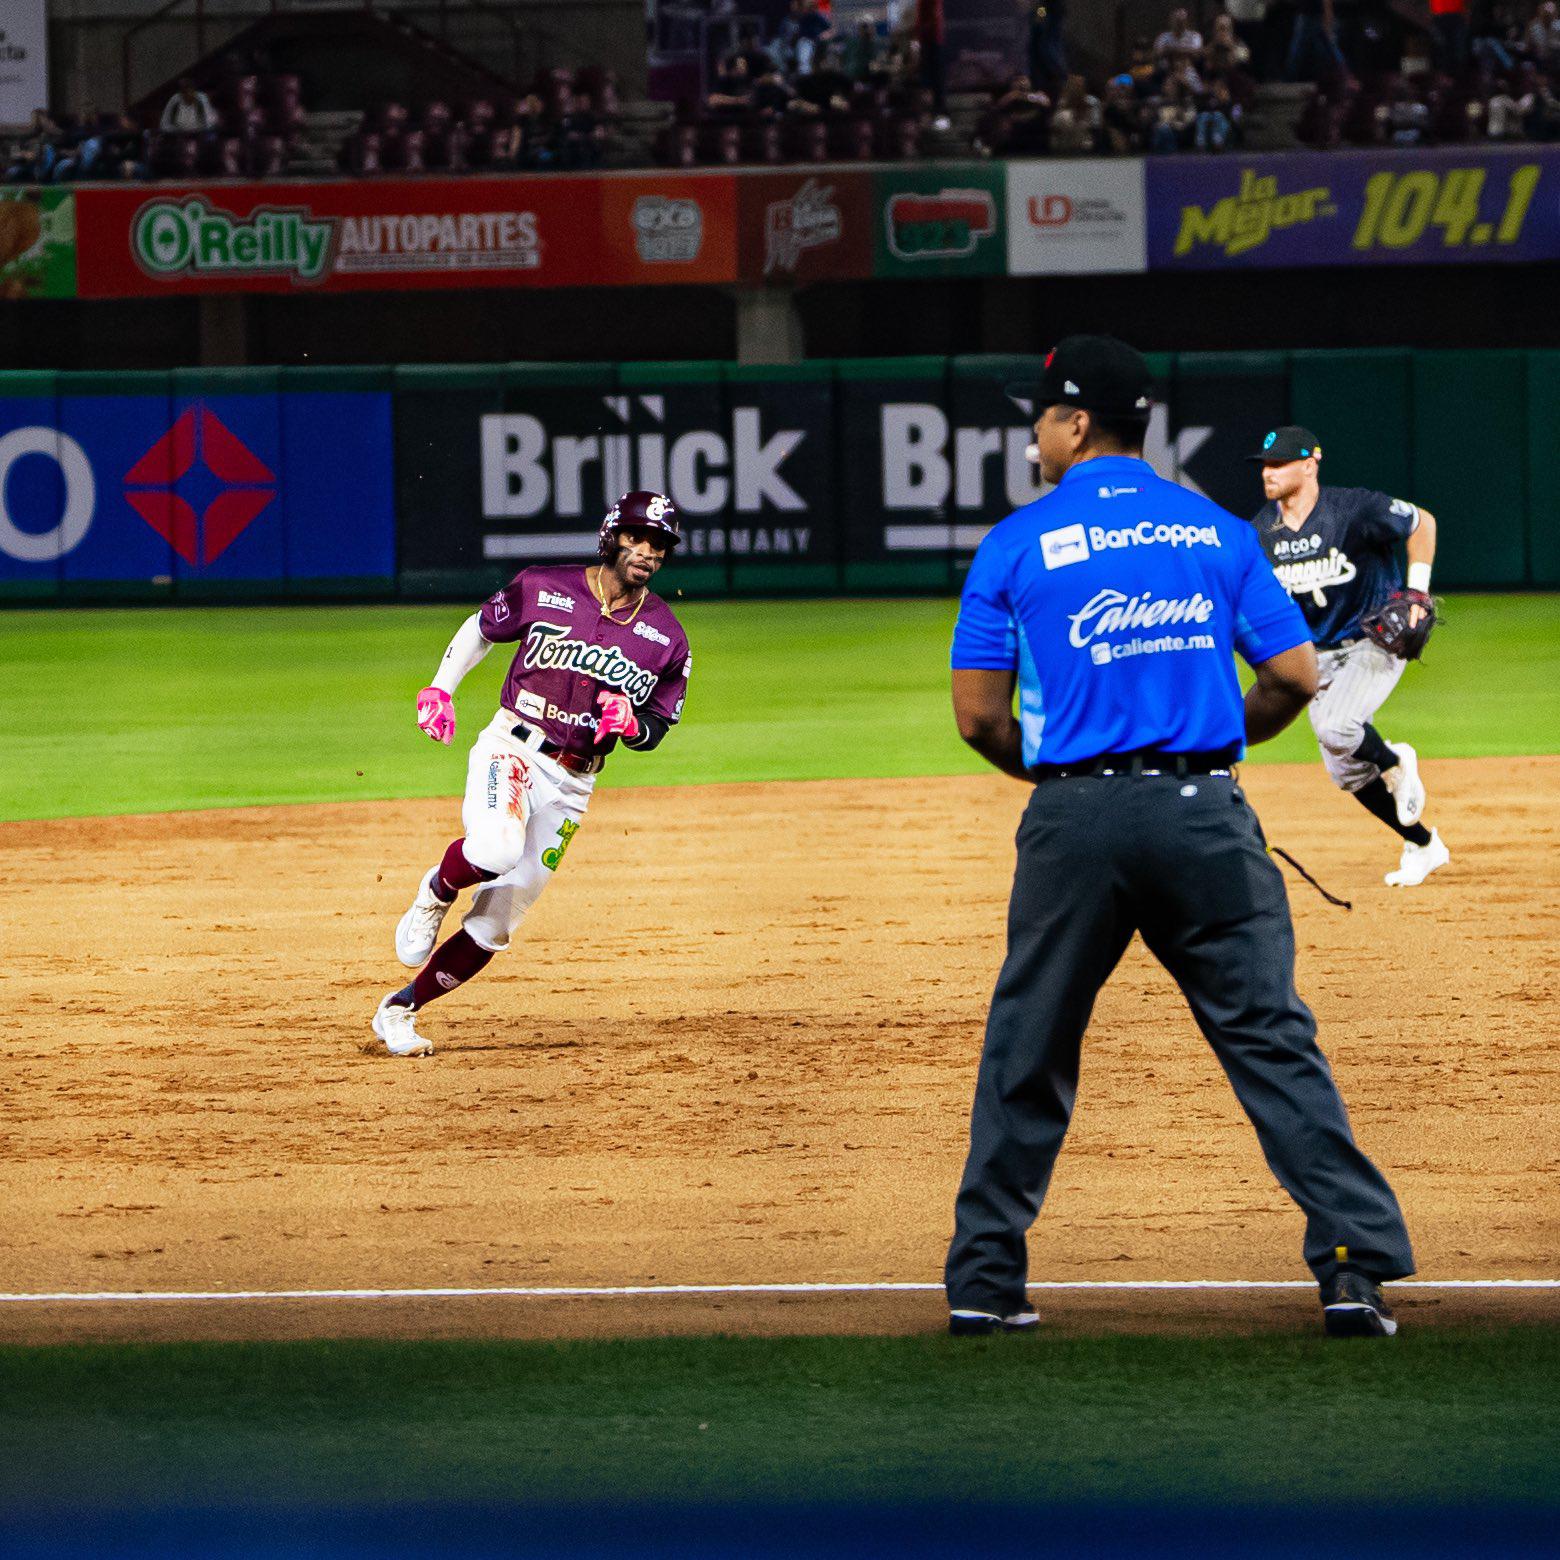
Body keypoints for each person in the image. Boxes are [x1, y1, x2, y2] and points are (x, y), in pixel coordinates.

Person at [943, 336, 1414, 1341]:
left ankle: (985, 1281)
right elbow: (1296, 679)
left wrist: (1071, 781)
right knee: (1271, 1040)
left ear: (1076, 424)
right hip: (1203, 817)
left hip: (1073, 822)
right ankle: (1352, 1270)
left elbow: (978, 718)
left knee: (1029, 1044)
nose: (1032, 430)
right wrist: (1200, 752)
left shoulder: (1014, 544)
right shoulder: (1214, 530)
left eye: (1041, 414)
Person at [373, 493, 691, 1059]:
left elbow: (659, 722)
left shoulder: (667, 636)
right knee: (495, 847)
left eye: (660, 544)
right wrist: (440, 689)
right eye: (639, 537)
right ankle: (433, 893)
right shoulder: (545, 586)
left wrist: (633, 726)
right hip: (513, 746)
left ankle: (400, 1009)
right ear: (612, 535)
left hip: (574, 782)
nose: (648, 551)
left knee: (496, 924)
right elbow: (481, 627)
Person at [1247, 427, 1448, 887]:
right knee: (1347, 771)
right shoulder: (1260, 533)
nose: (1268, 472)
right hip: (1316, 656)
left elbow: (1423, 523)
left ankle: (1397, 763)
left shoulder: (1355, 508)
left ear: (1310, 464)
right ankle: (1423, 844)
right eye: (1264, 463)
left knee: (1337, 727)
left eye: (1278, 463)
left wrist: (1416, 592)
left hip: (1373, 640)